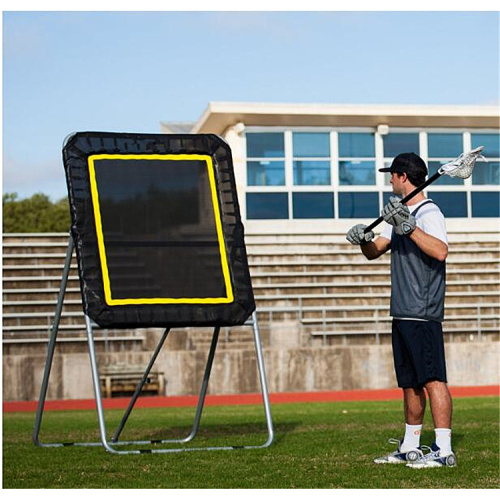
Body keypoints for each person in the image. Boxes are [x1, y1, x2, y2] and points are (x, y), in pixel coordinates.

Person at [346, 152, 456, 468]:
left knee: (433, 380)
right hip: (403, 310)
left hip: (423, 310)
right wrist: (363, 239)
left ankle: (444, 449)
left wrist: (408, 226)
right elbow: (374, 251)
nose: (390, 180)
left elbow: (440, 250)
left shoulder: (428, 212)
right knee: (409, 383)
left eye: (392, 175)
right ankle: (410, 446)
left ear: (403, 177)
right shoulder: (400, 213)